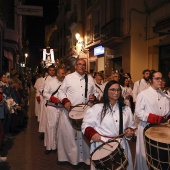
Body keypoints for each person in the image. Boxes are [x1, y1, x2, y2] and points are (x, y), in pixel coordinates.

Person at [82, 80, 136, 170]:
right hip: (102, 145)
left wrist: (130, 132)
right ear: (106, 91)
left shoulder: (126, 109)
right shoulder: (97, 108)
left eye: (118, 90)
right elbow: (85, 125)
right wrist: (92, 134)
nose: (116, 92)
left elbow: (132, 125)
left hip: (121, 145)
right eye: (113, 90)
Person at [57, 59, 98, 165]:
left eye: (84, 65)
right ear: (75, 66)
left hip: (86, 114)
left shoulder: (90, 79)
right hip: (71, 113)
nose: (82, 66)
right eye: (79, 64)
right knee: (71, 137)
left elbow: (96, 92)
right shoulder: (68, 78)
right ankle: (73, 160)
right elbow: (61, 92)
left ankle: (84, 159)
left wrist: (94, 97)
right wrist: (65, 100)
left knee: (85, 138)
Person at [134, 71, 170, 170]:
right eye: (157, 78)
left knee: (159, 155)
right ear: (150, 80)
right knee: (146, 154)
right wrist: (156, 118)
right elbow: (139, 112)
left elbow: (167, 112)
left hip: (160, 130)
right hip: (146, 127)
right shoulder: (143, 94)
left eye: (161, 78)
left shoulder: (164, 95)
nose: (160, 81)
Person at [43, 68, 65, 154]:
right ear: (58, 73)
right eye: (62, 74)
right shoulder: (50, 83)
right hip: (52, 107)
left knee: (60, 127)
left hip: (62, 108)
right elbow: (45, 93)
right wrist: (53, 98)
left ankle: (57, 146)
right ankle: (49, 147)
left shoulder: (65, 83)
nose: (63, 75)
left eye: (64, 74)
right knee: (51, 126)